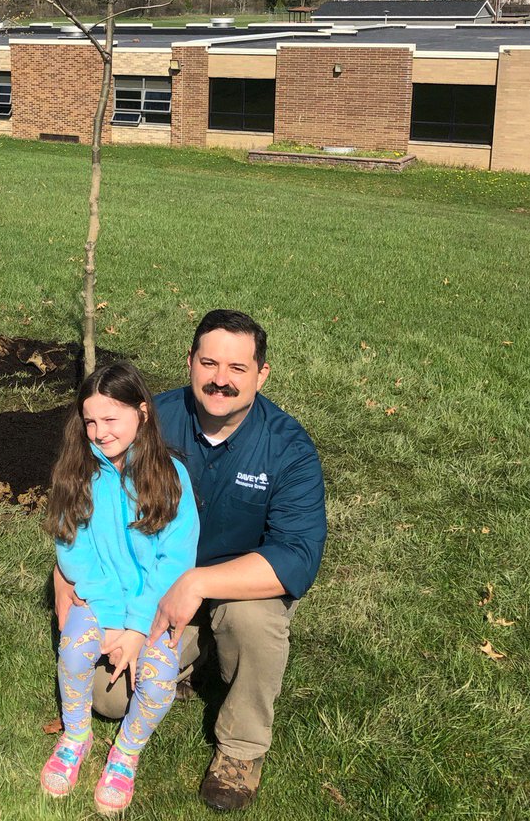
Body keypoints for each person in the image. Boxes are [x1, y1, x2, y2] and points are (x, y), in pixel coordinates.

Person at [55, 310, 327, 812]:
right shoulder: (150, 420)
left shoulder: (287, 448)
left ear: (261, 374)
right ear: (190, 363)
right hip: (148, 587)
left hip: (229, 590)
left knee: (255, 619)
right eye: (209, 363)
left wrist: (198, 582)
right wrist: (70, 577)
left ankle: (240, 749)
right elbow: (88, 503)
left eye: (237, 369)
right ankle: (191, 660)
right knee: (109, 699)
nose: (220, 379)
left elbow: (298, 558)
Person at [40, 361, 200, 815]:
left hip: (154, 606)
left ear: (142, 413)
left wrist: (135, 627)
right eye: (90, 421)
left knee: (157, 681)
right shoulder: (78, 473)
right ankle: (76, 736)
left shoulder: (171, 478)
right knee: (73, 651)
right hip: (100, 597)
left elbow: (175, 561)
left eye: (111, 419)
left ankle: (126, 752)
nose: (99, 431)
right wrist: (110, 619)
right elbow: (72, 551)